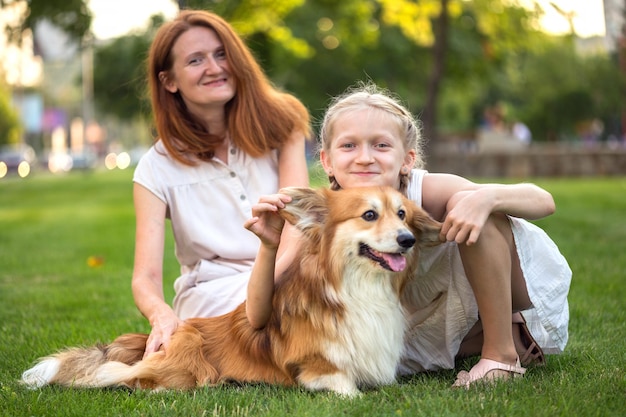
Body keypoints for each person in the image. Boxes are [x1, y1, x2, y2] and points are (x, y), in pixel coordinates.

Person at [244, 83, 572, 388]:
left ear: (407, 159)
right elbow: (257, 315)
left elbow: (545, 200)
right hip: (408, 322)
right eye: (349, 145)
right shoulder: (323, 214)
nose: (364, 157)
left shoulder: (425, 188)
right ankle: (505, 337)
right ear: (327, 161)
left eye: (381, 145)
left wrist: (486, 197)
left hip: (481, 292)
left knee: (478, 212)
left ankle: (501, 355)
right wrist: (268, 246)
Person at [131, 10, 310, 358]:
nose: (215, 68)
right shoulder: (154, 169)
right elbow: (146, 277)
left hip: (287, 270)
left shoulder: (282, 123)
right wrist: (161, 315)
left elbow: (296, 224)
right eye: (196, 60)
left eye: (221, 53)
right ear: (169, 81)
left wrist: (274, 287)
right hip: (212, 292)